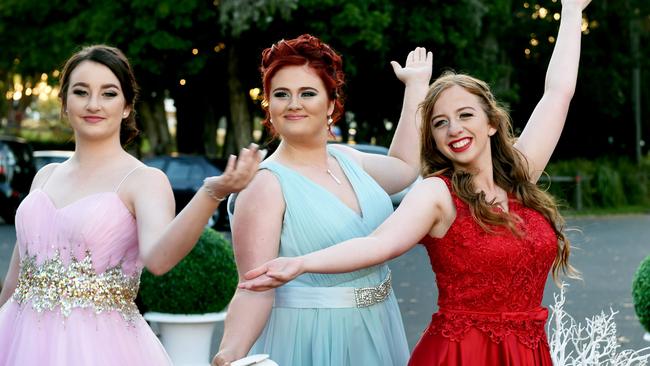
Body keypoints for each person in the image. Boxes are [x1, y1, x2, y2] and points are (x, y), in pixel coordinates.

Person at [239, 1, 591, 365]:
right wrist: (301, 264)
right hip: (460, 355)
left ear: (491, 123)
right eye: (440, 122)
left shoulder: (520, 174)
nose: (454, 128)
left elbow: (558, 93)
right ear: (434, 139)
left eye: (465, 115)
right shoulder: (437, 193)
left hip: (527, 353)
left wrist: (570, 11)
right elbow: (378, 244)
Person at [0, 45, 261, 366]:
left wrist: (211, 193)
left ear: (126, 106)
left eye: (108, 94)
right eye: (81, 92)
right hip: (16, 338)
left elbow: (159, 259)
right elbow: (15, 279)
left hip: (99, 346)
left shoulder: (144, 180)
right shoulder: (44, 176)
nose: (93, 104)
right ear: (65, 103)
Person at [212, 34, 432, 366]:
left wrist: (415, 87)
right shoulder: (265, 184)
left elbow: (404, 167)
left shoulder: (347, 159)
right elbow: (253, 287)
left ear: (330, 104)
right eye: (281, 94)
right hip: (311, 336)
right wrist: (229, 355)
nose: (294, 104)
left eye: (307, 93)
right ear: (269, 105)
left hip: (379, 325)